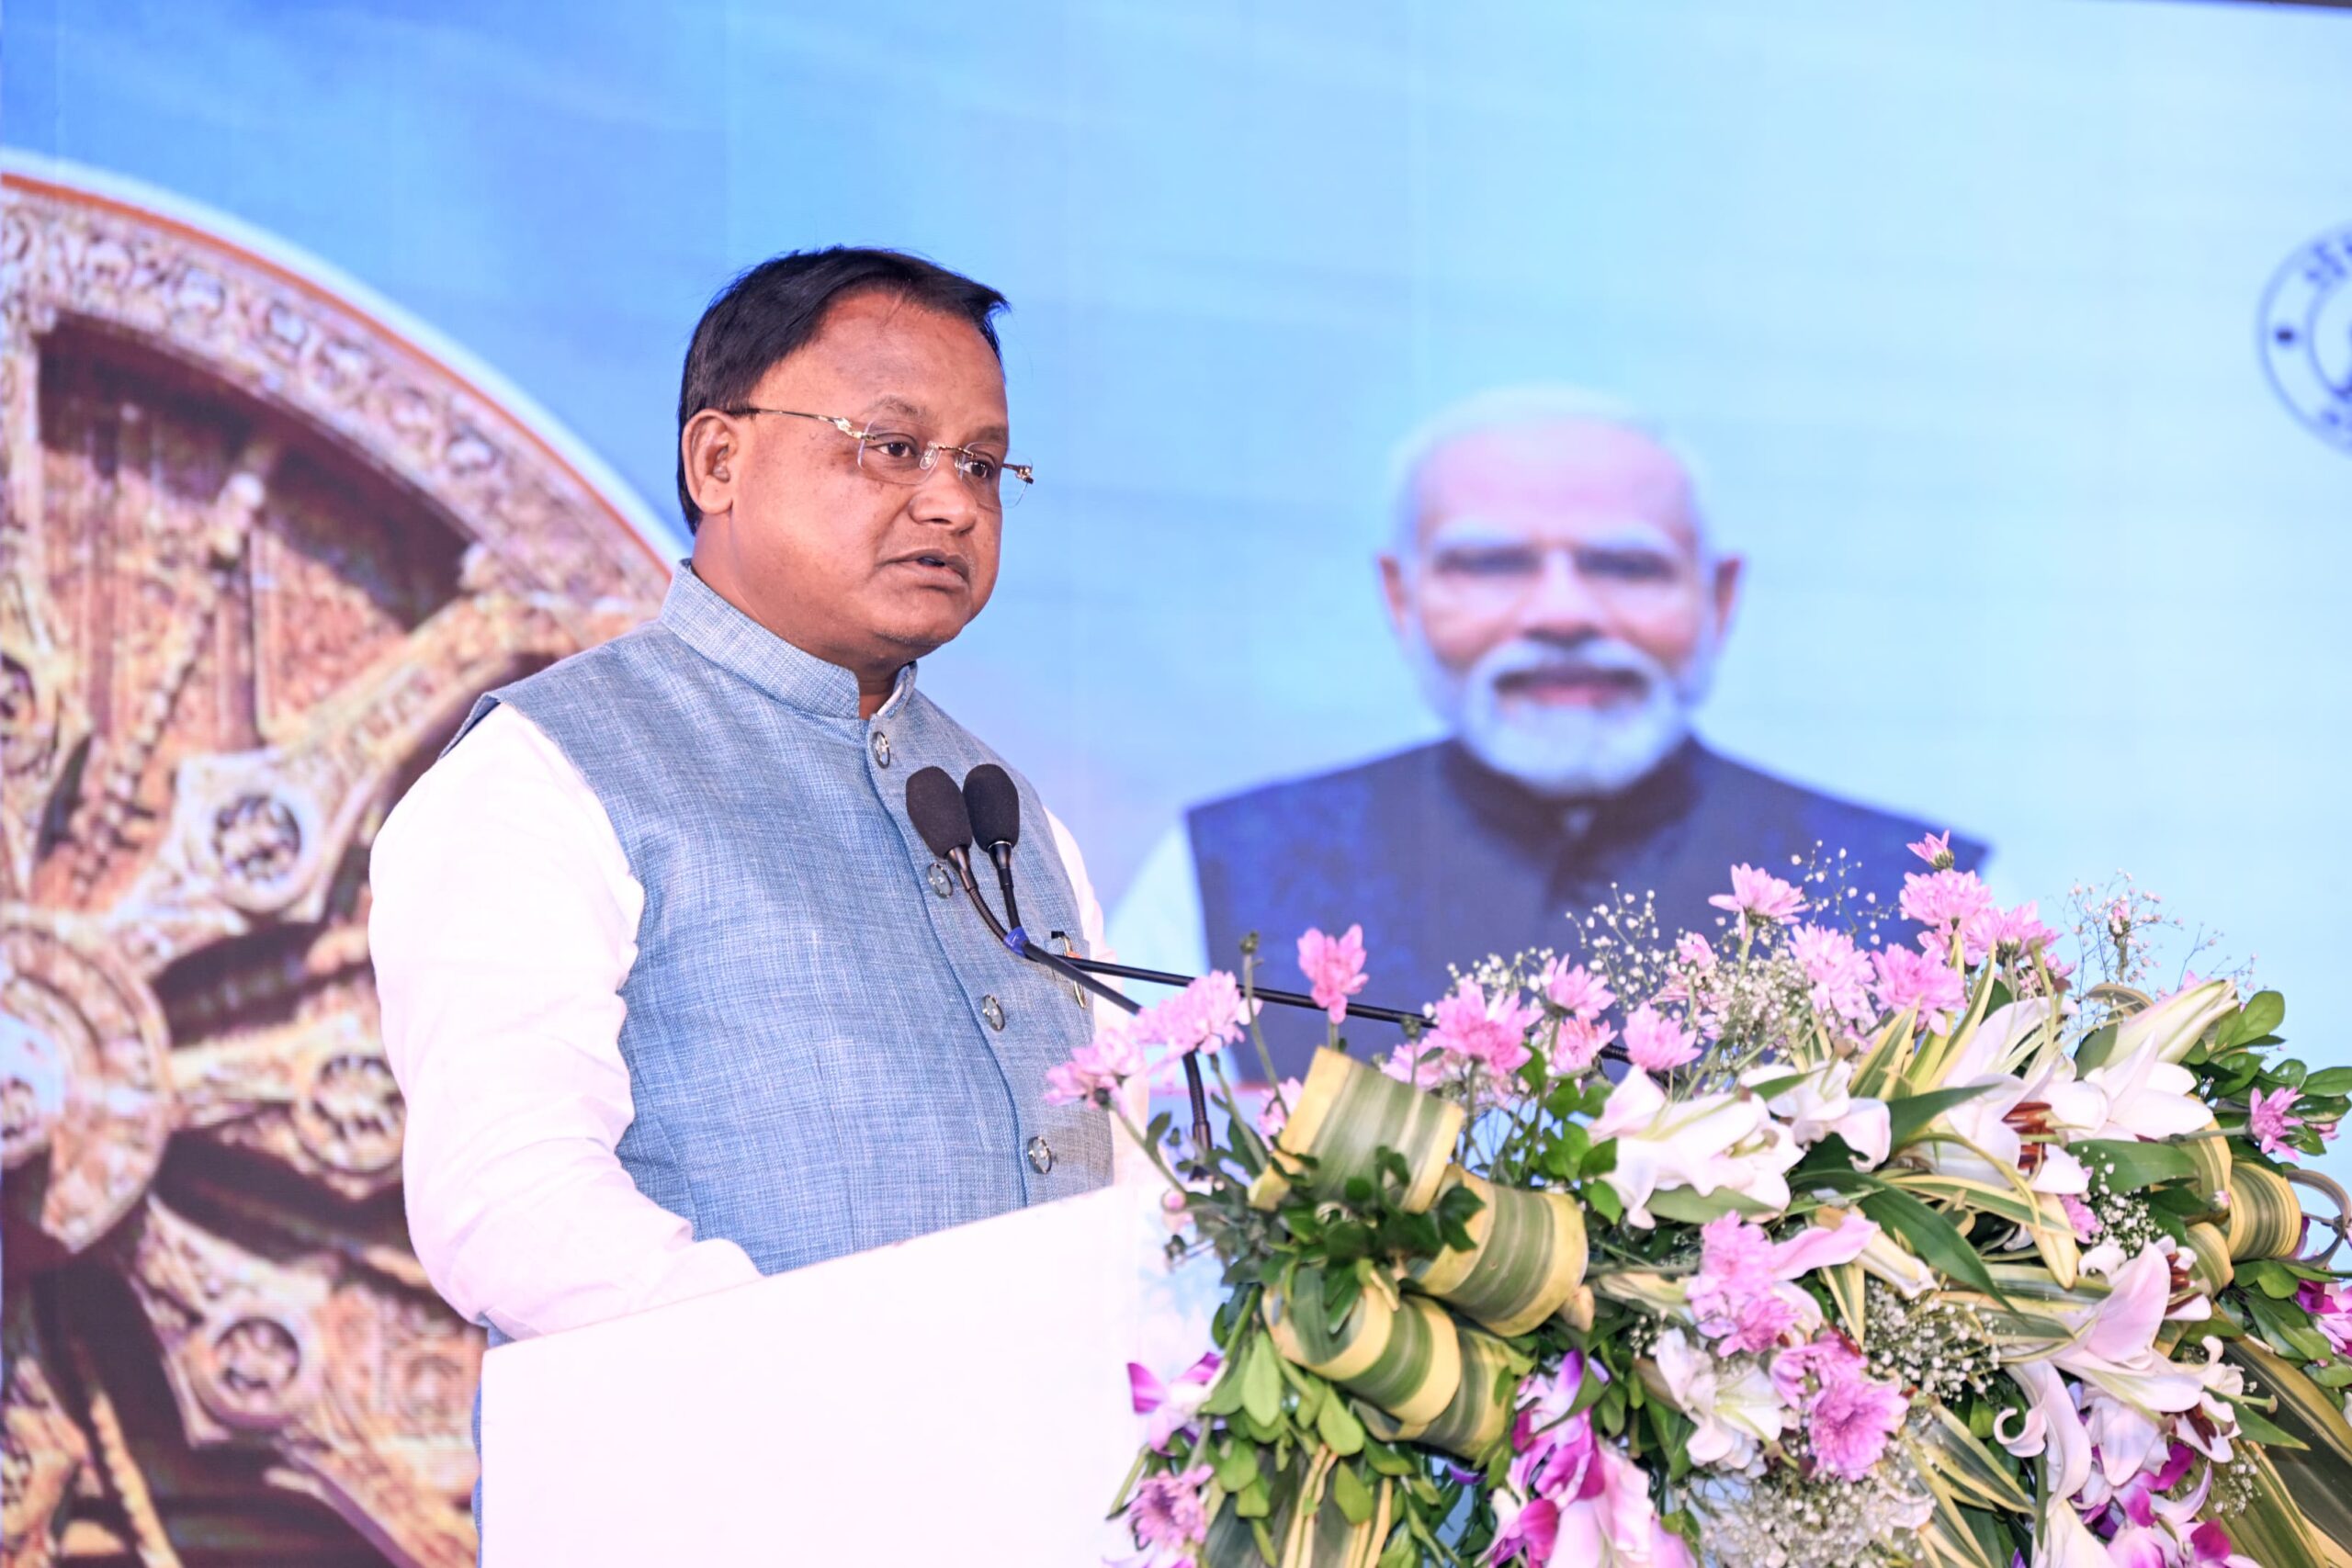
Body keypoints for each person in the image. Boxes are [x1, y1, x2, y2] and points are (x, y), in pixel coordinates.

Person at [371, 249, 1114, 1522]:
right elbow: (508, 1197)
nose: (951, 503)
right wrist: (819, 1386)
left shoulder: (1014, 815)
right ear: (718, 460)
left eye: (984, 466)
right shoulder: (545, 771)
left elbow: (1106, 1173)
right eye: (892, 447)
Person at [1111, 388, 1984, 1077]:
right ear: (1401, 597)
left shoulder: (1934, 902)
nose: (1563, 613)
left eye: (1627, 565)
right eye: (1491, 563)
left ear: (1718, 599)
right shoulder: (1219, 873)